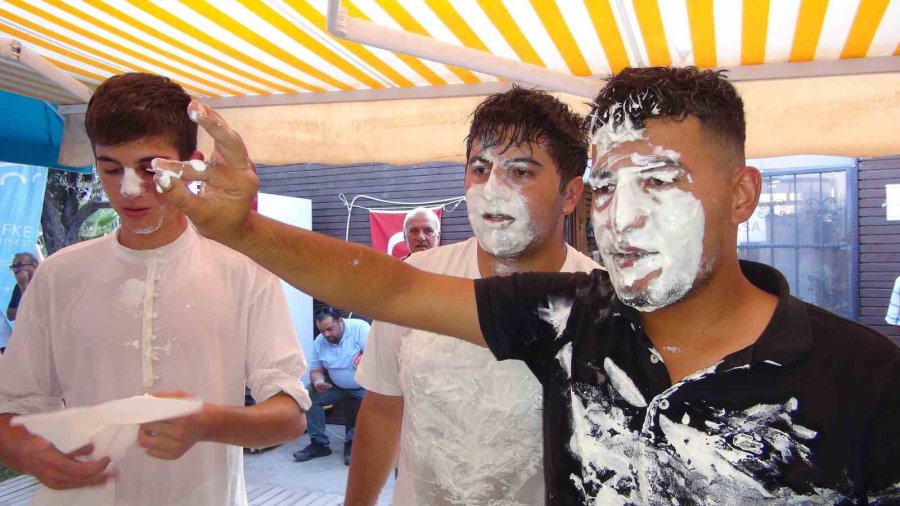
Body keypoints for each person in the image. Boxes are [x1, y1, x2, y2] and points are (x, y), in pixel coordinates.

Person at [153, 66, 900, 504]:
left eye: (659, 181)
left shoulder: (867, 380)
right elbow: (390, 289)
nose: (624, 216)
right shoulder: (573, 319)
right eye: (608, 186)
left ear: (742, 195)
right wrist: (241, 230)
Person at [0, 73, 310, 506]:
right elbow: (14, 407)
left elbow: (290, 415)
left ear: (192, 163)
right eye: (110, 168)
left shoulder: (242, 270)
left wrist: (208, 422)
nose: (129, 188)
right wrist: (28, 452)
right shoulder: (59, 275)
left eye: (150, 168)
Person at [350, 87, 600, 504]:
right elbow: (382, 408)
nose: (491, 189)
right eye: (480, 168)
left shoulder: (601, 302)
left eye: (520, 171)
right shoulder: (417, 278)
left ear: (570, 194)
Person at [293, 306, 369, 465]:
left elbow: (376, 359)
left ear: (340, 321)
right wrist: (318, 381)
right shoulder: (319, 342)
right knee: (308, 394)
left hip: (365, 385)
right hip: (337, 385)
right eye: (322, 331)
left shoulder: (359, 328)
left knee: (378, 401)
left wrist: (366, 361)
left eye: (330, 329)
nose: (326, 334)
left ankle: (354, 442)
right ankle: (319, 444)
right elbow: (315, 370)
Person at [6, 252, 39, 322]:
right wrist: (23, 286)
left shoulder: (47, 280)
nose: (16, 270)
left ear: (34, 266)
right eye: (13, 267)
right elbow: (10, 315)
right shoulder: (19, 286)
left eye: (19, 265)